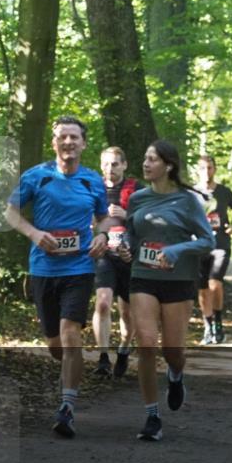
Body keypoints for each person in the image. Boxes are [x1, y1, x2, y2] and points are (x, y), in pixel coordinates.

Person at [6, 116, 109, 438]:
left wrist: (102, 236)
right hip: (43, 269)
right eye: (63, 137)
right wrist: (34, 233)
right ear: (54, 143)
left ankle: (67, 405)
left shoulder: (92, 180)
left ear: (83, 143)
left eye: (74, 137)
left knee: (70, 332)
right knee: (55, 344)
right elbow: (10, 212)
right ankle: (68, 373)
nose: (68, 143)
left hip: (79, 268)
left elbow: (104, 218)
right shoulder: (37, 176)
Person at [117, 140, 214, 441]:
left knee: (173, 352)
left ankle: (175, 375)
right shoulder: (137, 198)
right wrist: (125, 249)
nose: (146, 164)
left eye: (152, 159)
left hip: (178, 281)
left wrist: (176, 250)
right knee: (146, 343)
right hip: (143, 277)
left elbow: (207, 241)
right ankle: (152, 416)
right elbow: (133, 237)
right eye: (145, 158)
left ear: (168, 165)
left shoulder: (187, 201)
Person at [92, 146, 140, 379]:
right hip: (104, 256)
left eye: (115, 164)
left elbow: (148, 221)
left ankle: (123, 349)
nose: (110, 169)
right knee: (102, 302)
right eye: (106, 164)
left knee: (128, 313)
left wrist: (126, 213)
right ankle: (102, 357)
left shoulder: (136, 190)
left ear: (124, 165)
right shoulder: (94, 188)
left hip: (129, 257)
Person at [195, 155, 232, 344]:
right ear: (198, 170)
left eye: (210, 168)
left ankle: (218, 323)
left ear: (215, 169)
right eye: (203, 168)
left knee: (215, 284)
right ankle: (207, 326)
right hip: (198, 245)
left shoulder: (224, 191)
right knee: (203, 289)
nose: (207, 172)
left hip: (220, 244)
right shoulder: (192, 192)